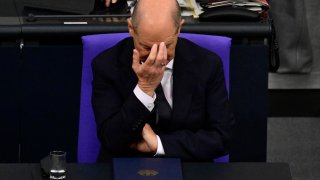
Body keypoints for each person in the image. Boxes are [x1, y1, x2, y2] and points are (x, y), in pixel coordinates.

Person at [92, 0, 234, 162]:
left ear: (179, 28)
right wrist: (145, 89)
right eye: (146, 47)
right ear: (131, 28)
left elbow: (222, 138)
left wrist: (159, 144)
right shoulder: (107, 65)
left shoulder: (207, 64)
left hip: (189, 167)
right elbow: (111, 139)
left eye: (166, 46)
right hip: (128, 166)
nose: (157, 56)